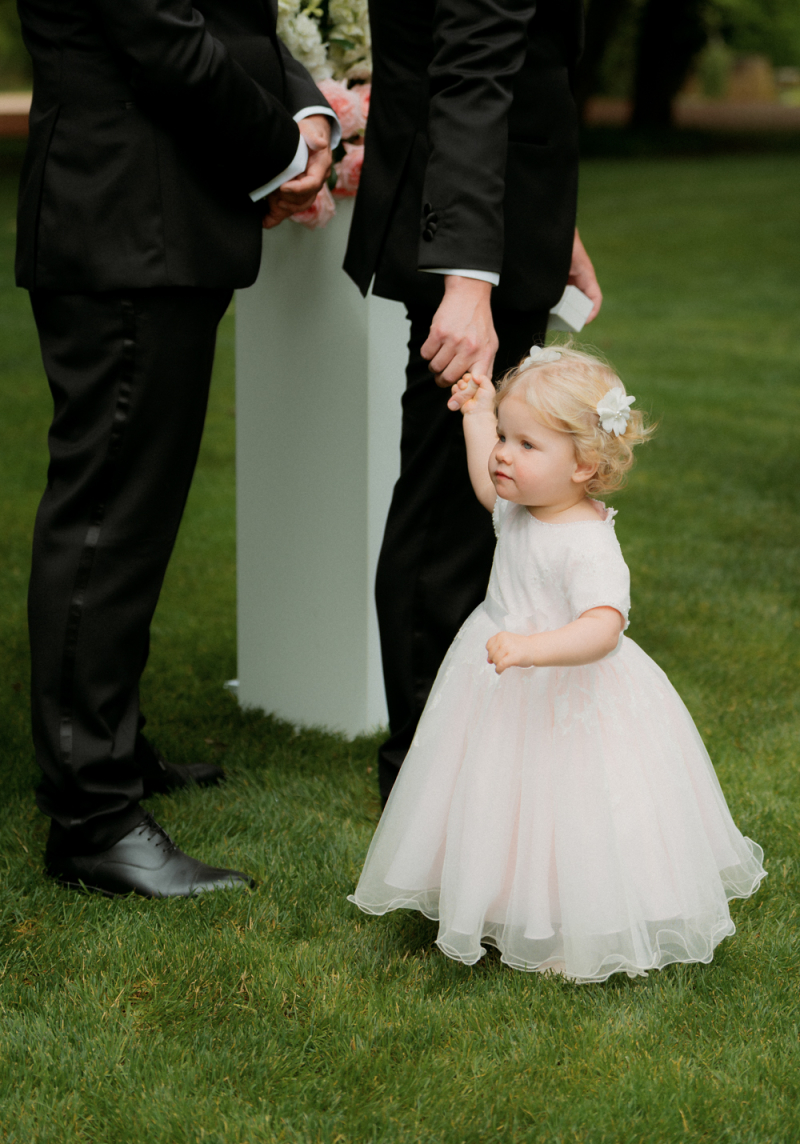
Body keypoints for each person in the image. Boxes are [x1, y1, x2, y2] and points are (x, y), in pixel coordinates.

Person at [16, 0, 340, 897]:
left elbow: (229, 19)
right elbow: (158, 34)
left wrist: (307, 109)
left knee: (135, 513)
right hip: (124, 219)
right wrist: (278, 153)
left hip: (152, 222)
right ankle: (92, 816)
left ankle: (112, 747)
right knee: (105, 523)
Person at [349, 345, 765, 982]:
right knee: (497, 792)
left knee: (570, 805)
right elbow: (486, 486)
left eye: (526, 445)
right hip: (501, 680)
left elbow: (603, 627)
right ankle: (501, 897)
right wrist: (477, 415)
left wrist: (533, 649)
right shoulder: (520, 505)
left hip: (564, 688)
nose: (504, 455)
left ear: (585, 465)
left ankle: (581, 924)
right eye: (505, 437)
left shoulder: (586, 541)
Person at [344, 0, 602, 803]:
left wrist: (551, 220)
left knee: (486, 509)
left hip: (504, 211)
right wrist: (466, 275)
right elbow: (469, 71)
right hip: (464, 245)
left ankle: (476, 751)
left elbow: (527, 64)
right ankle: (424, 774)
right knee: (445, 511)